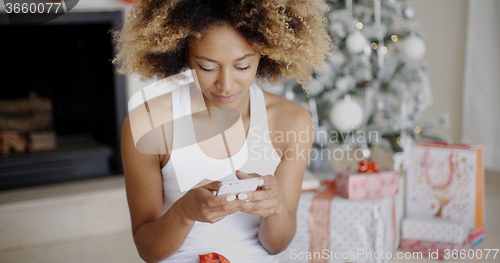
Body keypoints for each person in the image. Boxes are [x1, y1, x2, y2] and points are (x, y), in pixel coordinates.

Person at [114, 0, 332, 262]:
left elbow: (276, 245)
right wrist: (184, 212)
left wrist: (276, 208)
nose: (226, 85)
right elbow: (148, 250)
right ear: (184, 52)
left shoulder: (291, 121)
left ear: (265, 52)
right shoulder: (147, 124)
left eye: (242, 66)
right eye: (207, 67)